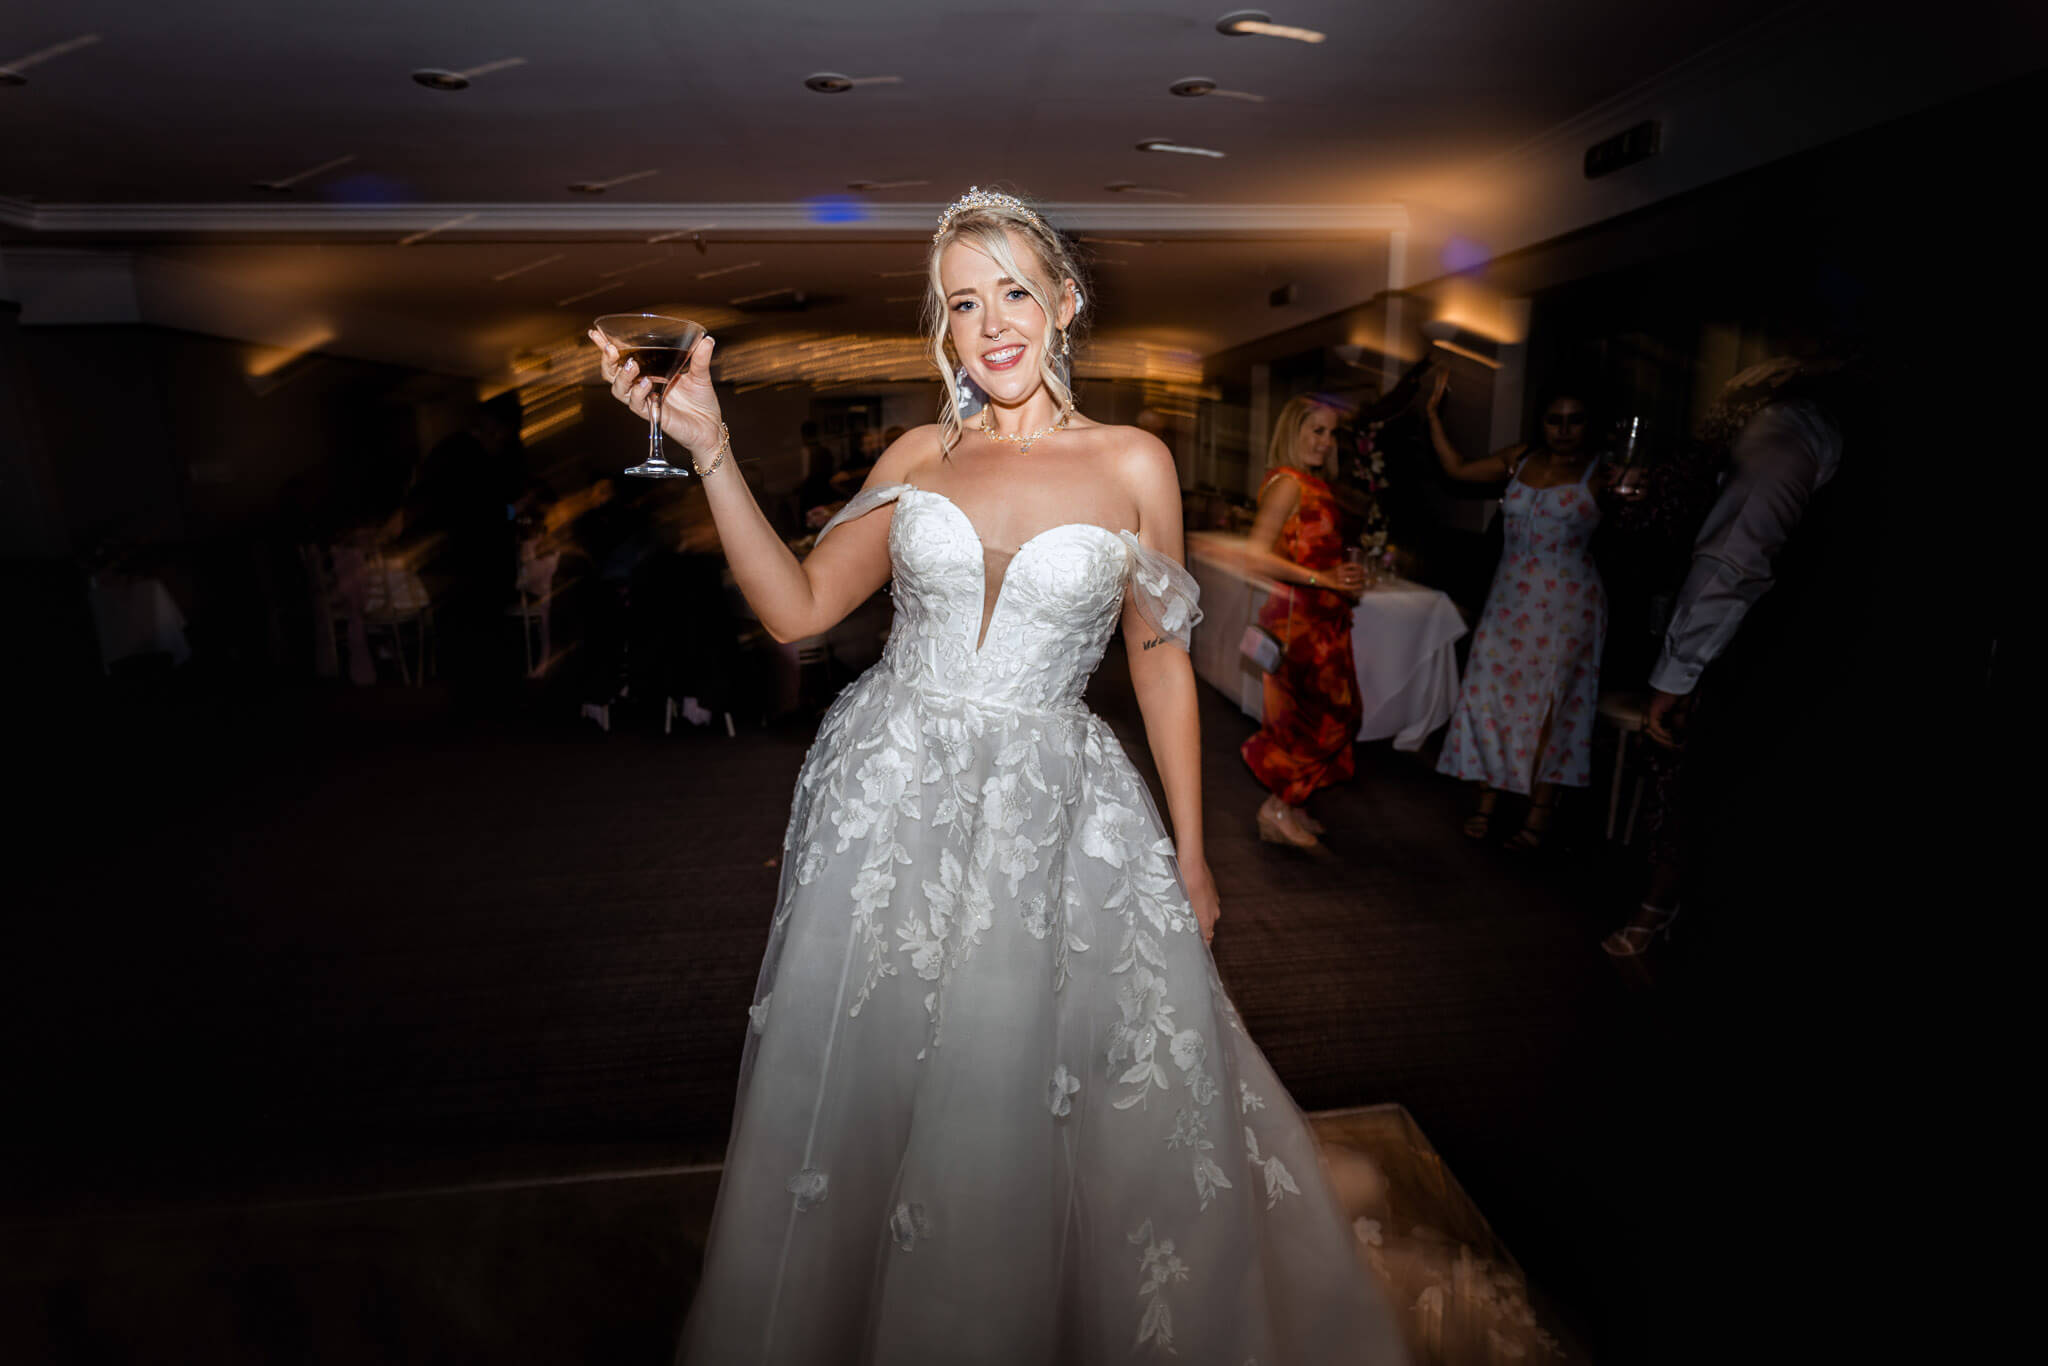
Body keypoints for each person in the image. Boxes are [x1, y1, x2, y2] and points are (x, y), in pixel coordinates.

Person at [592, 187, 1404, 1365]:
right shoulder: (920, 451)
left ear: (1065, 302)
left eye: (1014, 289)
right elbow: (796, 610)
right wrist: (714, 455)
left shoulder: (1132, 461)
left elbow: (1160, 659)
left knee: (1022, 1080)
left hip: (1047, 814)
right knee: (875, 1072)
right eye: (962, 301)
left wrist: (1189, 847)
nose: (991, 322)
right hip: (886, 803)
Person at [1604, 365, 1845, 954]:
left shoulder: (1787, 430)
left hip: (1750, 649)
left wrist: (1677, 675)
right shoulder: (1718, 447)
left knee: (1695, 784)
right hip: (1701, 634)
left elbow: (1734, 561)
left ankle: (1669, 916)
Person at [1428, 371, 1611, 849]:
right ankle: (1487, 800)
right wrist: (1432, 417)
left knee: (1552, 703)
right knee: (1489, 694)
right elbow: (1458, 469)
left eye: (1575, 420)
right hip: (1509, 597)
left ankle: (1540, 812)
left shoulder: (1605, 472)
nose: (1564, 429)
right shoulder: (1520, 459)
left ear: (1588, 425)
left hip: (1568, 603)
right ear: (1543, 423)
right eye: (1555, 420)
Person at [1238, 396, 1370, 848]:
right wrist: (1324, 577)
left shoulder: (1311, 484)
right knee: (1318, 721)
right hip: (1299, 626)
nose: (1326, 442)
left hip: (1323, 619)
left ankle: (1289, 806)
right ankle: (1275, 807)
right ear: (1292, 431)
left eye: (1331, 434)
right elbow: (1257, 555)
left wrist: (1339, 579)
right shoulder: (1289, 484)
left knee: (1328, 716)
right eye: (1316, 430)